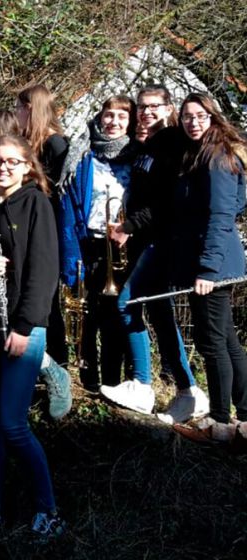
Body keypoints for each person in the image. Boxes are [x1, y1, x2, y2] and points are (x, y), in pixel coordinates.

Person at [0, 134, 63, 539]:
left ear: (26, 166)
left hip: (22, 329)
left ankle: (48, 509)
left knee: (12, 424)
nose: (3, 167)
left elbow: (45, 272)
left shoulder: (37, 204)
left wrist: (23, 328)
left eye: (12, 161)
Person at [106, 87, 206, 421]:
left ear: (168, 107)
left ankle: (143, 385)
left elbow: (165, 201)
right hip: (147, 239)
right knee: (161, 314)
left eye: (154, 106)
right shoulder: (151, 144)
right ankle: (188, 390)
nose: (146, 112)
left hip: (161, 240)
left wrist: (129, 225)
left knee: (128, 303)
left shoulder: (172, 142)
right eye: (142, 107)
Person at [170, 93, 247, 444]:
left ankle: (219, 421)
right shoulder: (202, 152)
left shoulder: (217, 156)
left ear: (212, 116)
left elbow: (222, 214)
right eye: (187, 116)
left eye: (200, 115)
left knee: (212, 342)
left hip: (213, 265)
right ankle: (243, 417)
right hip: (211, 260)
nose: (193, 122)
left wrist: (208, 269)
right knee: (227, 339)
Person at [60, 96, 140, 393]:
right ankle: (89, 377)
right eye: (108, 115)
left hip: (123, 246)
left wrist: (129, 228)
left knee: (117, 314)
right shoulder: (83, 155)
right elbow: (69, 202)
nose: (113, 122)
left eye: (121, 116)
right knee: (88, 312)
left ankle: (113, 379)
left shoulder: (137, 156)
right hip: (88, 242)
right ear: (100, 116)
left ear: (130, 121)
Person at [15, 85, 70, 368]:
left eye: (18, 108)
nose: (16, 113)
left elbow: (54, 191)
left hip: (49, 228)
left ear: (30, 109)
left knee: (49, 300)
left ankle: (58, 364)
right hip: (30, 225)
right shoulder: (29, 143)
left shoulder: (55, 144)